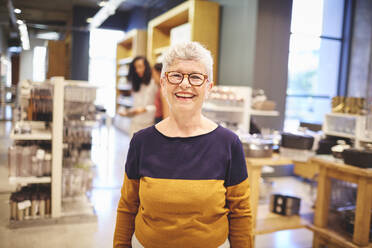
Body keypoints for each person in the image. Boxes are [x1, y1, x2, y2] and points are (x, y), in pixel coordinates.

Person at [114, 42, 253, 248]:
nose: (185, 84)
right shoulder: (141, 142)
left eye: (196, 77)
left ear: (208, 88)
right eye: (176, 75)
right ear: (163, 83)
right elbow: (128, 206)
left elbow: (241, 213)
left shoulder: (228, 143)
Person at [119, 56, 157, 136]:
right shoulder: (135, 84)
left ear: (146, 67)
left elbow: (157, 107)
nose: (137, 70)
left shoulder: (153, 83)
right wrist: (127, 112)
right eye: (135, 68)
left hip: (148, 125)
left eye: (140, 67)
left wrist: (144, 109)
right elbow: (135, 106)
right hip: (134, 124)